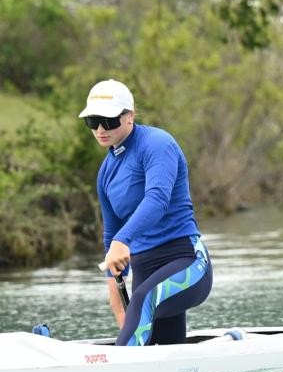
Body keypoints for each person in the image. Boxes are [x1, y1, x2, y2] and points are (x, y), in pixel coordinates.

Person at [79, 79, 212, 346]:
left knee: (143, 298)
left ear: (129, 116)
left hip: (186, 260)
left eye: (110, 120)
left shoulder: (157, 144)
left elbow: (157, 200)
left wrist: (121, 241)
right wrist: (113, 291)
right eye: (93, 121)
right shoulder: (105, 172)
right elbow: (111, 234)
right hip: (145, 267)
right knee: (163, 346)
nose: (101, 129)